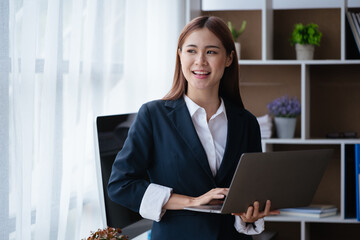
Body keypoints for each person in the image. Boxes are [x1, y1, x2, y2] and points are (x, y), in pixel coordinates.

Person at [108, 16, 279, 240]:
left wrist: (249, 215)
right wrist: (192, 201)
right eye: (191, 51)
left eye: (211, 52)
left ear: (228, 58)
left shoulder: (246, 123)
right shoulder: (153, 116)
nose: (200, 61)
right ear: (179, 56)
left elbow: (249, 192)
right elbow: (121, 185)